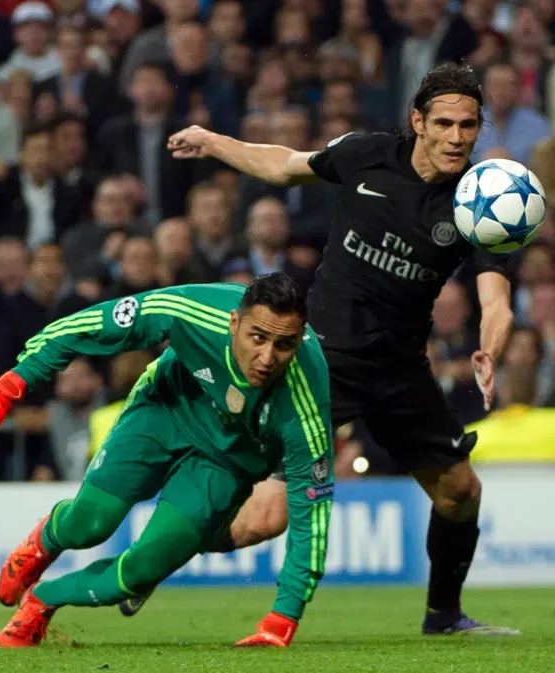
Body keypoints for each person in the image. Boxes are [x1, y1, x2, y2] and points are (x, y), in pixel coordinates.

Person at [154, 62, 519, 636]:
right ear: (417, 122)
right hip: (324, 363)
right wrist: (213, 141)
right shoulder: (367, 155)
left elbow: (496, 300)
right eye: (444, 124)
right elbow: (284, 165)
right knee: (262, 521)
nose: (456, 138)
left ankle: (444, 617)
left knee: (460, 492)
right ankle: (154, 557)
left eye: (468, 126)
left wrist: (489, 349)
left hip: (400, 371)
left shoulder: (479, 202)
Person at [0, 274, 332, 648]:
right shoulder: (193, 309)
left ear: (299, 340)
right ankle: (45, 540)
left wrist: (283, 617)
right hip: (164, 411)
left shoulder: (307, 400)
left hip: (226, 463)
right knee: (91, 523)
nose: (267, 357)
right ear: (233, 323)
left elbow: (311, 514)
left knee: (139, 573)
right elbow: (86, 326)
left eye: (284, 345)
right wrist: (5, 389)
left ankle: (42, 601)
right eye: (257, 337)